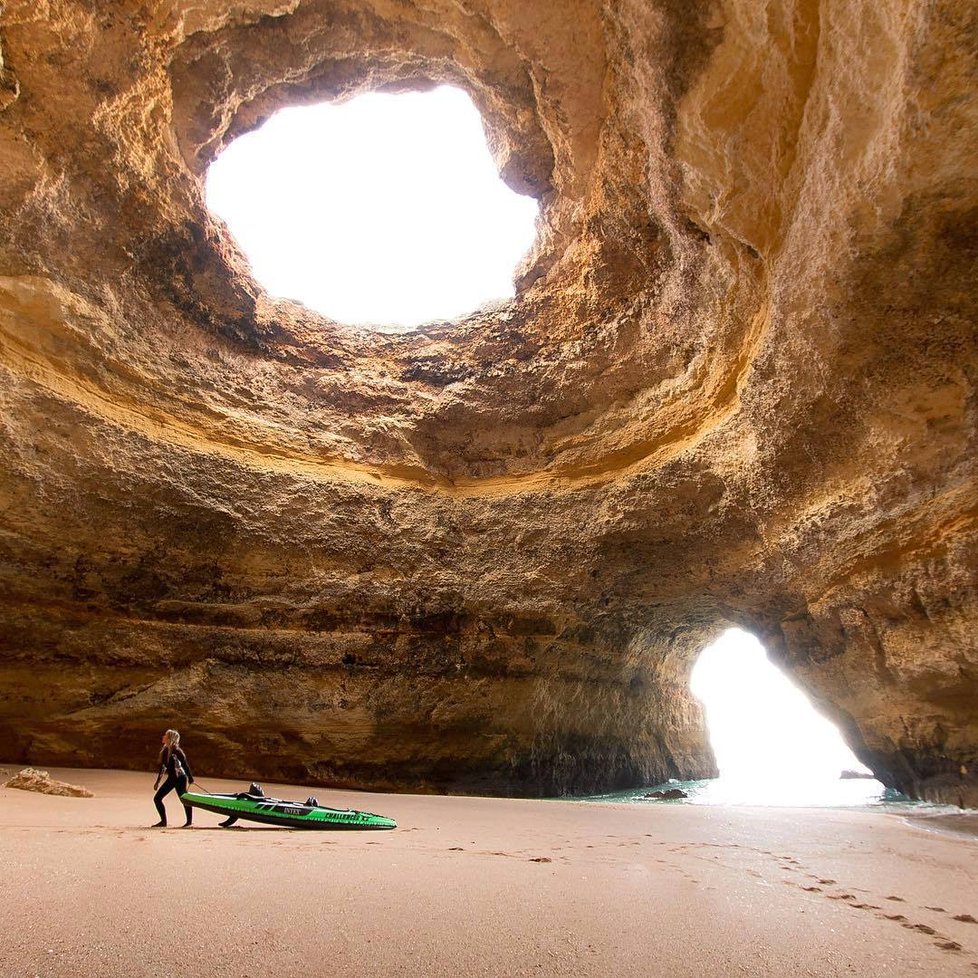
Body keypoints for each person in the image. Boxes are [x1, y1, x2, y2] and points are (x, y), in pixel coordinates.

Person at [152, 728, 195, 827]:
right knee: (157, 798)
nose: (163, 737)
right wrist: (157, 782)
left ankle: (189, 822)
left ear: (169, 738)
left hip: (180, 779)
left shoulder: (176, 751)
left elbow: (185, 765)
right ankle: (163, 822)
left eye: (165, 736)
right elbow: (163, 767)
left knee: (184, 799)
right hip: (171, 779)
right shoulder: (165, 751)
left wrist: (190, 778)